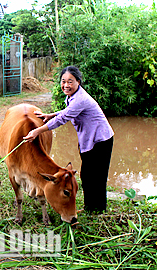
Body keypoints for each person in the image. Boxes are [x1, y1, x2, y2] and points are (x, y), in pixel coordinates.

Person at [23, 66, 114, 213]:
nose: (66, 85)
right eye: (63, 81)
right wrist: (50, 115)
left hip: (100, 140)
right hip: (89, 140)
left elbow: (64, 118)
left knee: (97, 175)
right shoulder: (73, 97)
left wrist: (37, 131)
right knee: (87, 174)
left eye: (70, 81)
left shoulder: (80, 99)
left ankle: (98, 209)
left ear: (78, 81)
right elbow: (67, 111)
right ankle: (90, 207)